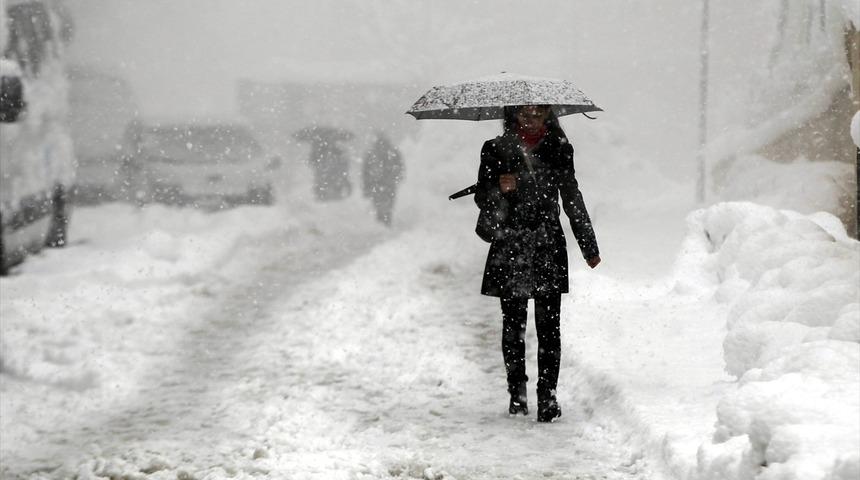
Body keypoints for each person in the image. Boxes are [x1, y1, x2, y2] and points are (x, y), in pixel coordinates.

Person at [474, 105, 601, 423]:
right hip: (510, 242)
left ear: (548, 115)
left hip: (547, 243)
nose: (530, 117)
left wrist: (588, 244)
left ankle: (548, 398)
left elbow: (571, 194)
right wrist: (499, 190)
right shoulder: (495, 149)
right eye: (524, 113)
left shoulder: (560, 148)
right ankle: (516, 395)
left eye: (537, 112)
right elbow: (482, 196)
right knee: (513, 326)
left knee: (549, 328)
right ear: (513, 115)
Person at [361, 131, 404, 226]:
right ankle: (385, 221)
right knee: (388, 204)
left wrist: (366, 186)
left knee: (379, 204)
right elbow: (400, 166)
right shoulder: (393, 152)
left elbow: (365, 171)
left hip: (376, 183)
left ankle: (381, 221)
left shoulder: (371, 153)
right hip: (388, 183)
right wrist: (397, 177)